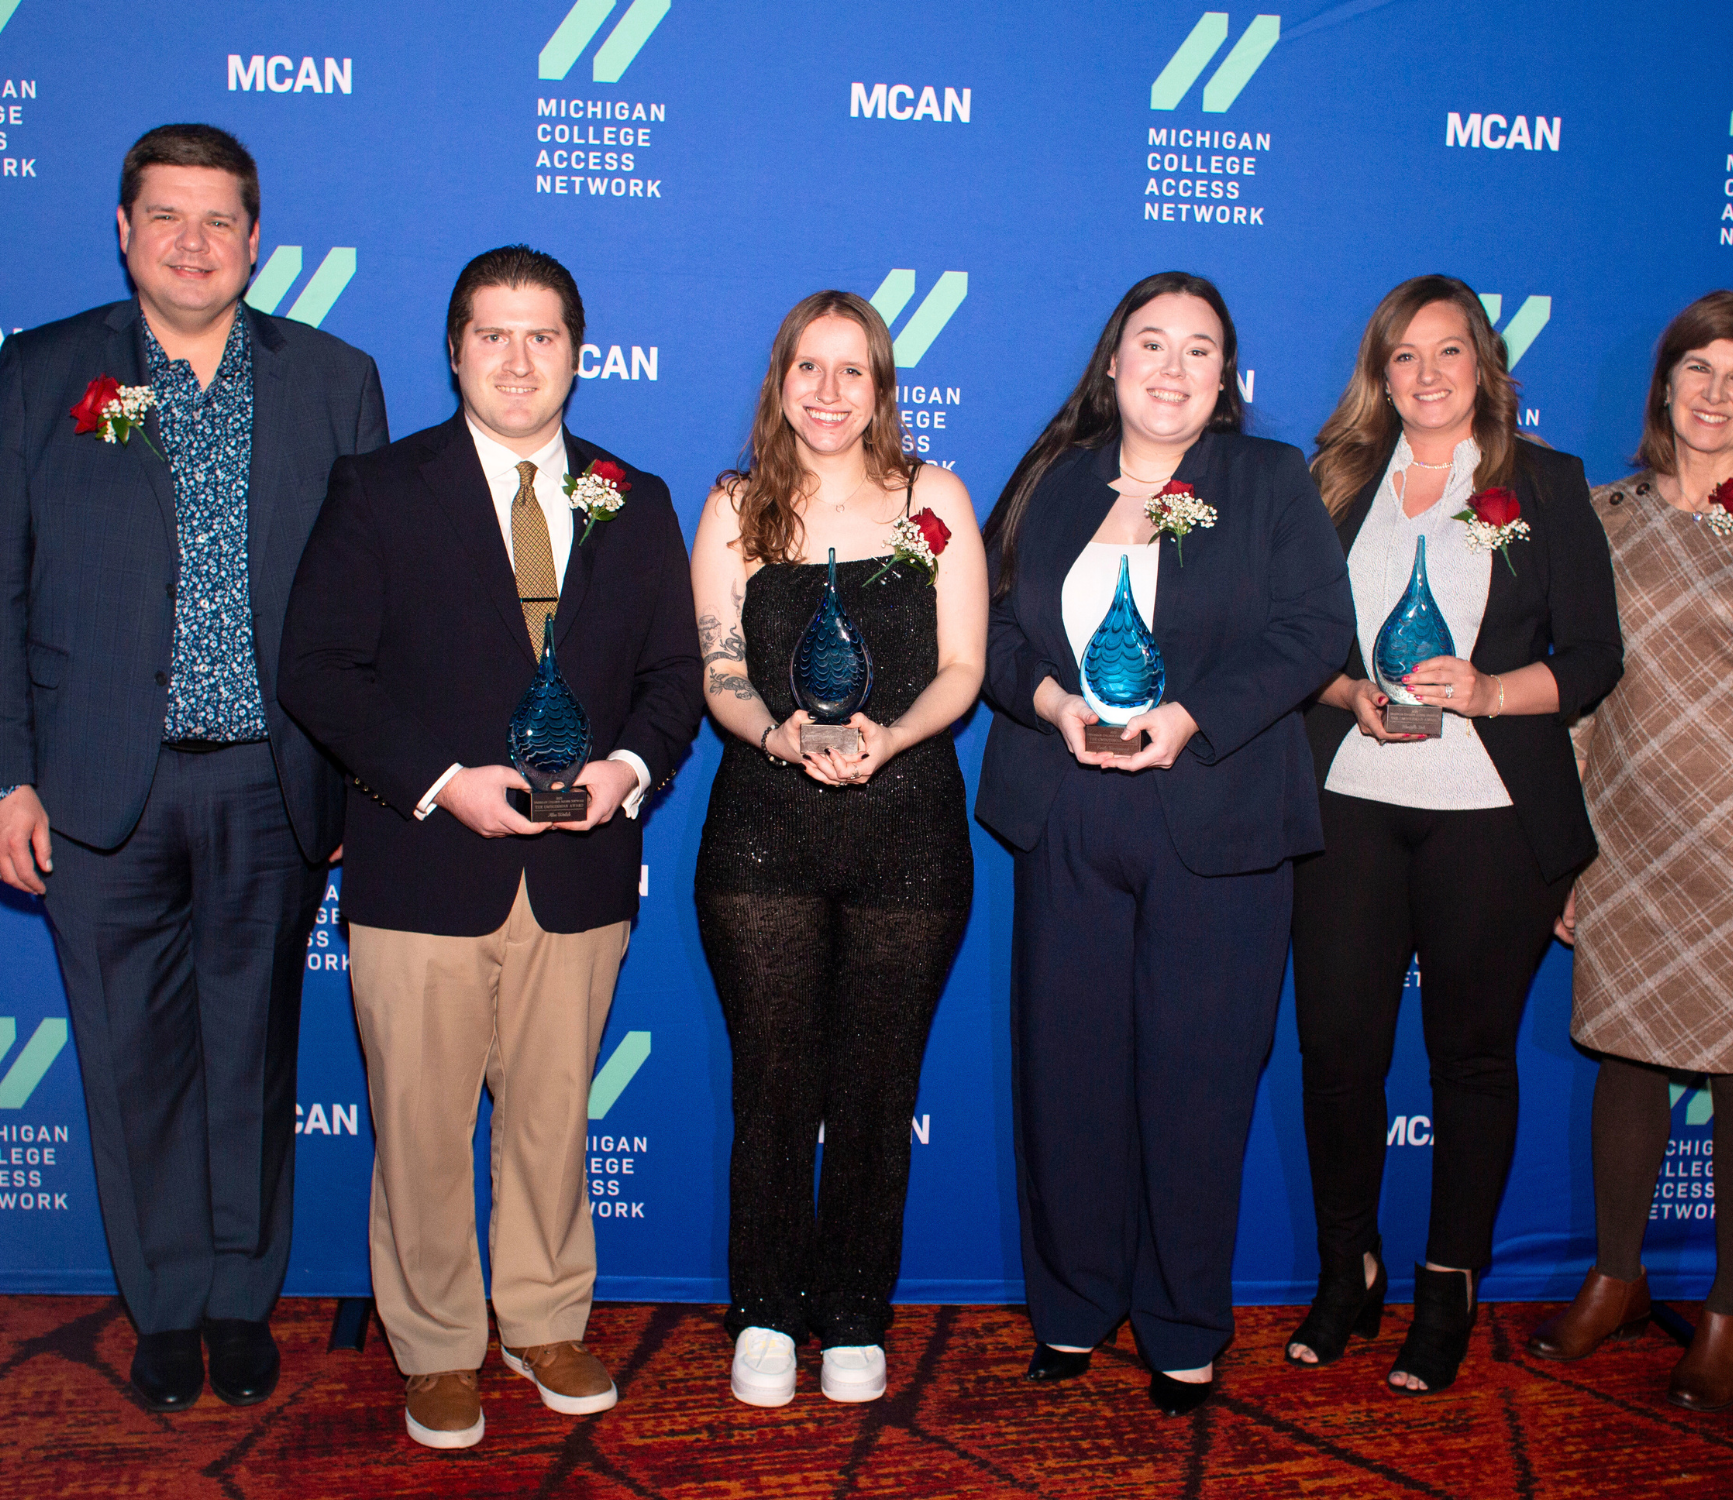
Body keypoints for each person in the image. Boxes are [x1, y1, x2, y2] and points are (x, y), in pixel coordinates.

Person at [0, 124, 387, 1413]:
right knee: (129, 1059)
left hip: (272, 780)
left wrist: (361, 773)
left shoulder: (333, 379)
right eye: (167, 217)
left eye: (220, 220)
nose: (194, 243)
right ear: (125, 231)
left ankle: (244, 1301)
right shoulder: (43, 376)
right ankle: (167, 1301)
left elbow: (371, 606)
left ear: (257, 240)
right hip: (90, 793)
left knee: (253, 1053)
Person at [277, 245, 701, 1449]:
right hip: (424, 867)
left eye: (544, 336)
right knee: (417, 1123)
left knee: (553, 1114)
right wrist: (443, 783)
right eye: (492, 335)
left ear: (580, 351)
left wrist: (627, 771)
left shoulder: (637, 494)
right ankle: (436, 1345)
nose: (518, 360)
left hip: (580, 874)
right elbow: (319, 669)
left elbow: (673, 675)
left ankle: (545, 1318)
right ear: (454, 347)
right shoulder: (381, 488)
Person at [978, 271, 1354, 1416]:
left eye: (1200, 349)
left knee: (1197, 1085)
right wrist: (1052, 706)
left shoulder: (1264, 478)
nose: (1173, 367)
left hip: (1218, 813)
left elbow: (1314, 633)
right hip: (1069, 806)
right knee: (1068, 1075)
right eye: (1152, 343)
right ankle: (1074, 1309)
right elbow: (984, 628)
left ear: (1227, 378)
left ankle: (1185, 1322)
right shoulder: (1053, 480)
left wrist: (1184, 720)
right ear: (1110, 362)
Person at [1291, 274, 1622, 1393]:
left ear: (1483, 364)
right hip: (1350, 803)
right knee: (1339, 1055)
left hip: (1492, 814)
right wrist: (1347, 696)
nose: (1427, 377)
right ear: (1378, 375)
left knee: (1470, 1061)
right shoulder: (1334, 480)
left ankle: (1447, 1283)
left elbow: (1591, 660)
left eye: (1448, 354)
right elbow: (1296, 646)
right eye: (1403, 358)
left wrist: (1485, 693)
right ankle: (1350, 1270)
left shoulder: (1546, 483)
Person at [1530, 290, 1733, 1413]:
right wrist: (1565, 847)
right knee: (1624, 1058)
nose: (1715, 397)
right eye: (1697, 371)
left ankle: (1729, 1311)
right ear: (1663, 383)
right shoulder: (1602, 513)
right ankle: (1615, 1281)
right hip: (1622, 836)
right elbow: (1576, 698)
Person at [689, 291, 984, 1408]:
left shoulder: (935, 499)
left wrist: (891, 736)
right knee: (773, 1085)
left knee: (874, 1084)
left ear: (882, 387)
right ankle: (765, 1307)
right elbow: (719, 669)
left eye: (850, 371)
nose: (827, 392)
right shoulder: (734, 507)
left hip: (908, 830)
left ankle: (856, 1309)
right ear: (780, 383)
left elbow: (963, 666)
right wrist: (774, 733)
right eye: (807, 369)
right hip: (762, 836)